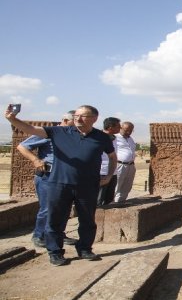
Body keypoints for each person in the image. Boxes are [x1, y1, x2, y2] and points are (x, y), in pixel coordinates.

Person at [5, 104, 116, 266]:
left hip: (87, 185)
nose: (78, 118)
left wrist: (108, 176)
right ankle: (55, 251)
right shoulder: (59, 132)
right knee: (55, 219)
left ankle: (85, 248)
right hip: (59, 183)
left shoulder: (102, 137)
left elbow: (112, 157)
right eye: (76, 115)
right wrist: (12, 119)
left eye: (83, 116)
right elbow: (31, 129)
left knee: (87, 219)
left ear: (94, 119)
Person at [16, 111, 77, 248]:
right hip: (48, 175)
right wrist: (35, 160)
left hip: (64, 176)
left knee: (64, 207)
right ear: (66, 121)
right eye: (75, 122)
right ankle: (39, 235)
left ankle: (58, 234)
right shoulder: (49, 133)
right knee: (47, 207)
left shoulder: (72, 136)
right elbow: (22, 146)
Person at [97, 117, 120, 206]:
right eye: (118, 126)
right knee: (99, 198)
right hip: (102, 171)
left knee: (109, 199)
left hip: (113, 172)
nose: (120, 128)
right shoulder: (98, 137)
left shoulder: (115, 138)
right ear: (110, 127)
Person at [114, 121, 136, 202]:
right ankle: (112, 203)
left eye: (131, 130)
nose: (129, 132)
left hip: (131, 165)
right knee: (117, 184)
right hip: (120, 164)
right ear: (121, 128)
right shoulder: (115, 138)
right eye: (126, 130)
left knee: (127, 185)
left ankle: (121, 202)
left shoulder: (130, 139)